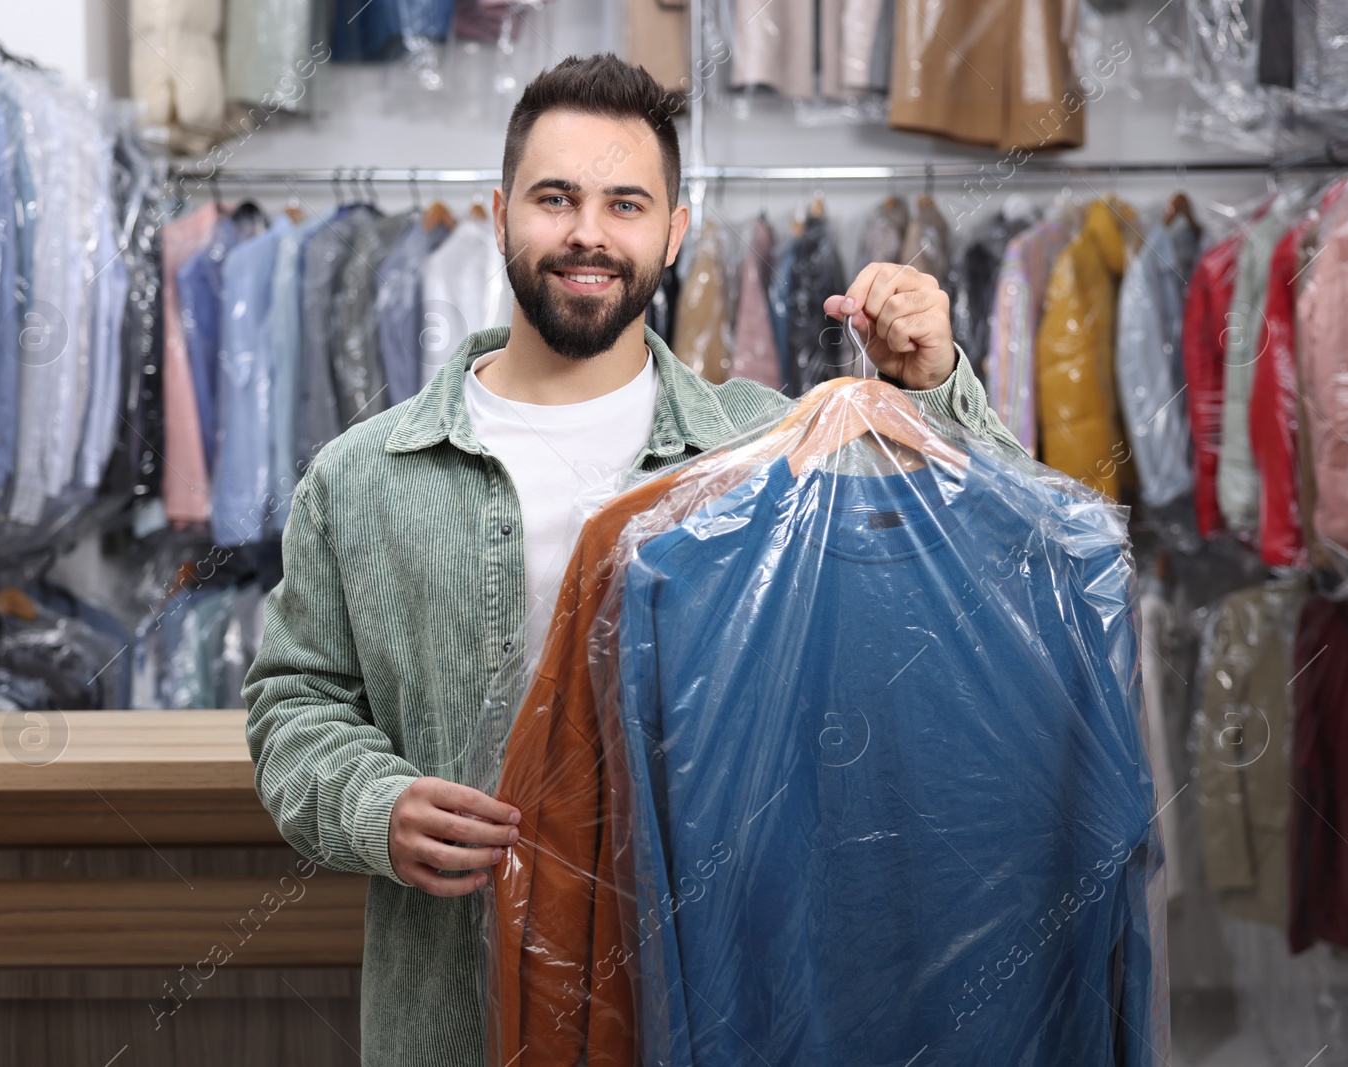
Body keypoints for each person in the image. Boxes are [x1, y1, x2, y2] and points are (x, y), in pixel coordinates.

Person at [242, 52, 1027, 1067]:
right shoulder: (361, 477)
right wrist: (372, 803)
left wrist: (930, 388)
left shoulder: (771, 449)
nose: (587, 233)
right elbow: (293, 705)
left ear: (673, 230)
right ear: (498, 213)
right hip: (458, 1007)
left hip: (716, 1000)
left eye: (625, 202)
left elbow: (989, 574)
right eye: (555, 198)